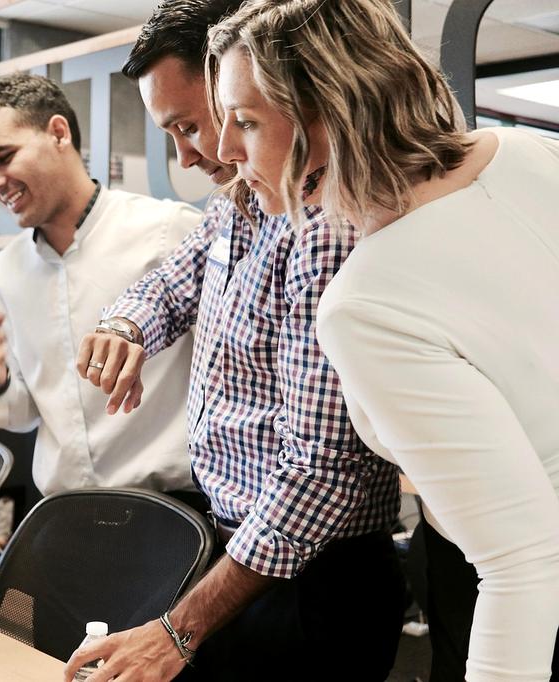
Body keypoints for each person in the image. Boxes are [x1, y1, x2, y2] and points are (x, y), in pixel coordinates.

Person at [201, 1, 559, 680]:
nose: (223, 151)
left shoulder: (366, 303)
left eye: (245, 121)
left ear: (331, 110)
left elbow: (523, 562)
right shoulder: (532, 151)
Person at [65, 1, 405, 680]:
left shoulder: (325, 227)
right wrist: (124, 327)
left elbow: (319, 472)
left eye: (196, 125)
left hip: (311, 579)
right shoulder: (240, 207)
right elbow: (168, 286)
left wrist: (178, 631)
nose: (200, 154)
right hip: (242, 555)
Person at [0, 73, 204, 501]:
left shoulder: (169, 232)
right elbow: (20, 415)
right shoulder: (4, 274)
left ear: (59, 133)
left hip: (175, 505)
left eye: (4, 157)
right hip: (64, 510)